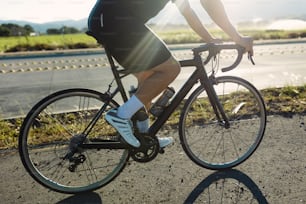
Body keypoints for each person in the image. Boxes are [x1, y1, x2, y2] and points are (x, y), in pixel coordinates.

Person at [88, 0, 253, 148]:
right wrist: (237, 37)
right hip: (116, 20)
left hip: (108, 19)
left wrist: (209, 39)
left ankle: (143, 137)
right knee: (171, 68)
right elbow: (210, 3)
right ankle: (121, 115)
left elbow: (187, 11)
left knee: (148, 78)